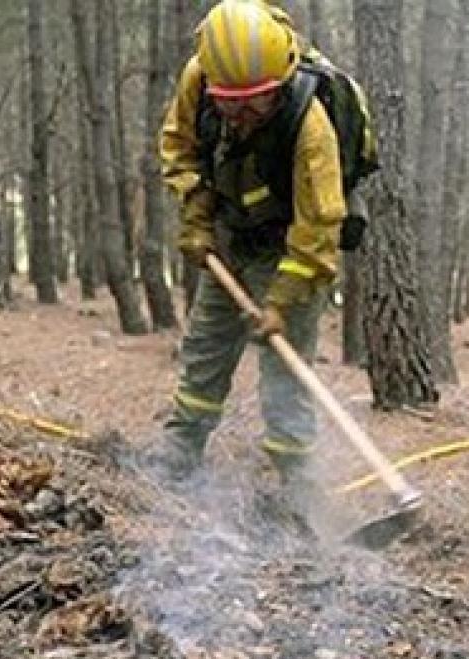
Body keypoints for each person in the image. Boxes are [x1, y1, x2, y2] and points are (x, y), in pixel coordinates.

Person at [153, 0, 346, 485]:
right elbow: (181, 151)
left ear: (280, 81)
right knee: (206, 346)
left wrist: (280, 302)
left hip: (290, 250)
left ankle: (296, 482)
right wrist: (197, 222)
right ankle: (180, 451)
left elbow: (319, 227)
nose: (243, 114)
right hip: (230, 236)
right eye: (230, 102)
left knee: (286, 369)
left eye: (258, 100)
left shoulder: (310, 124)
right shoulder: (198, 83)